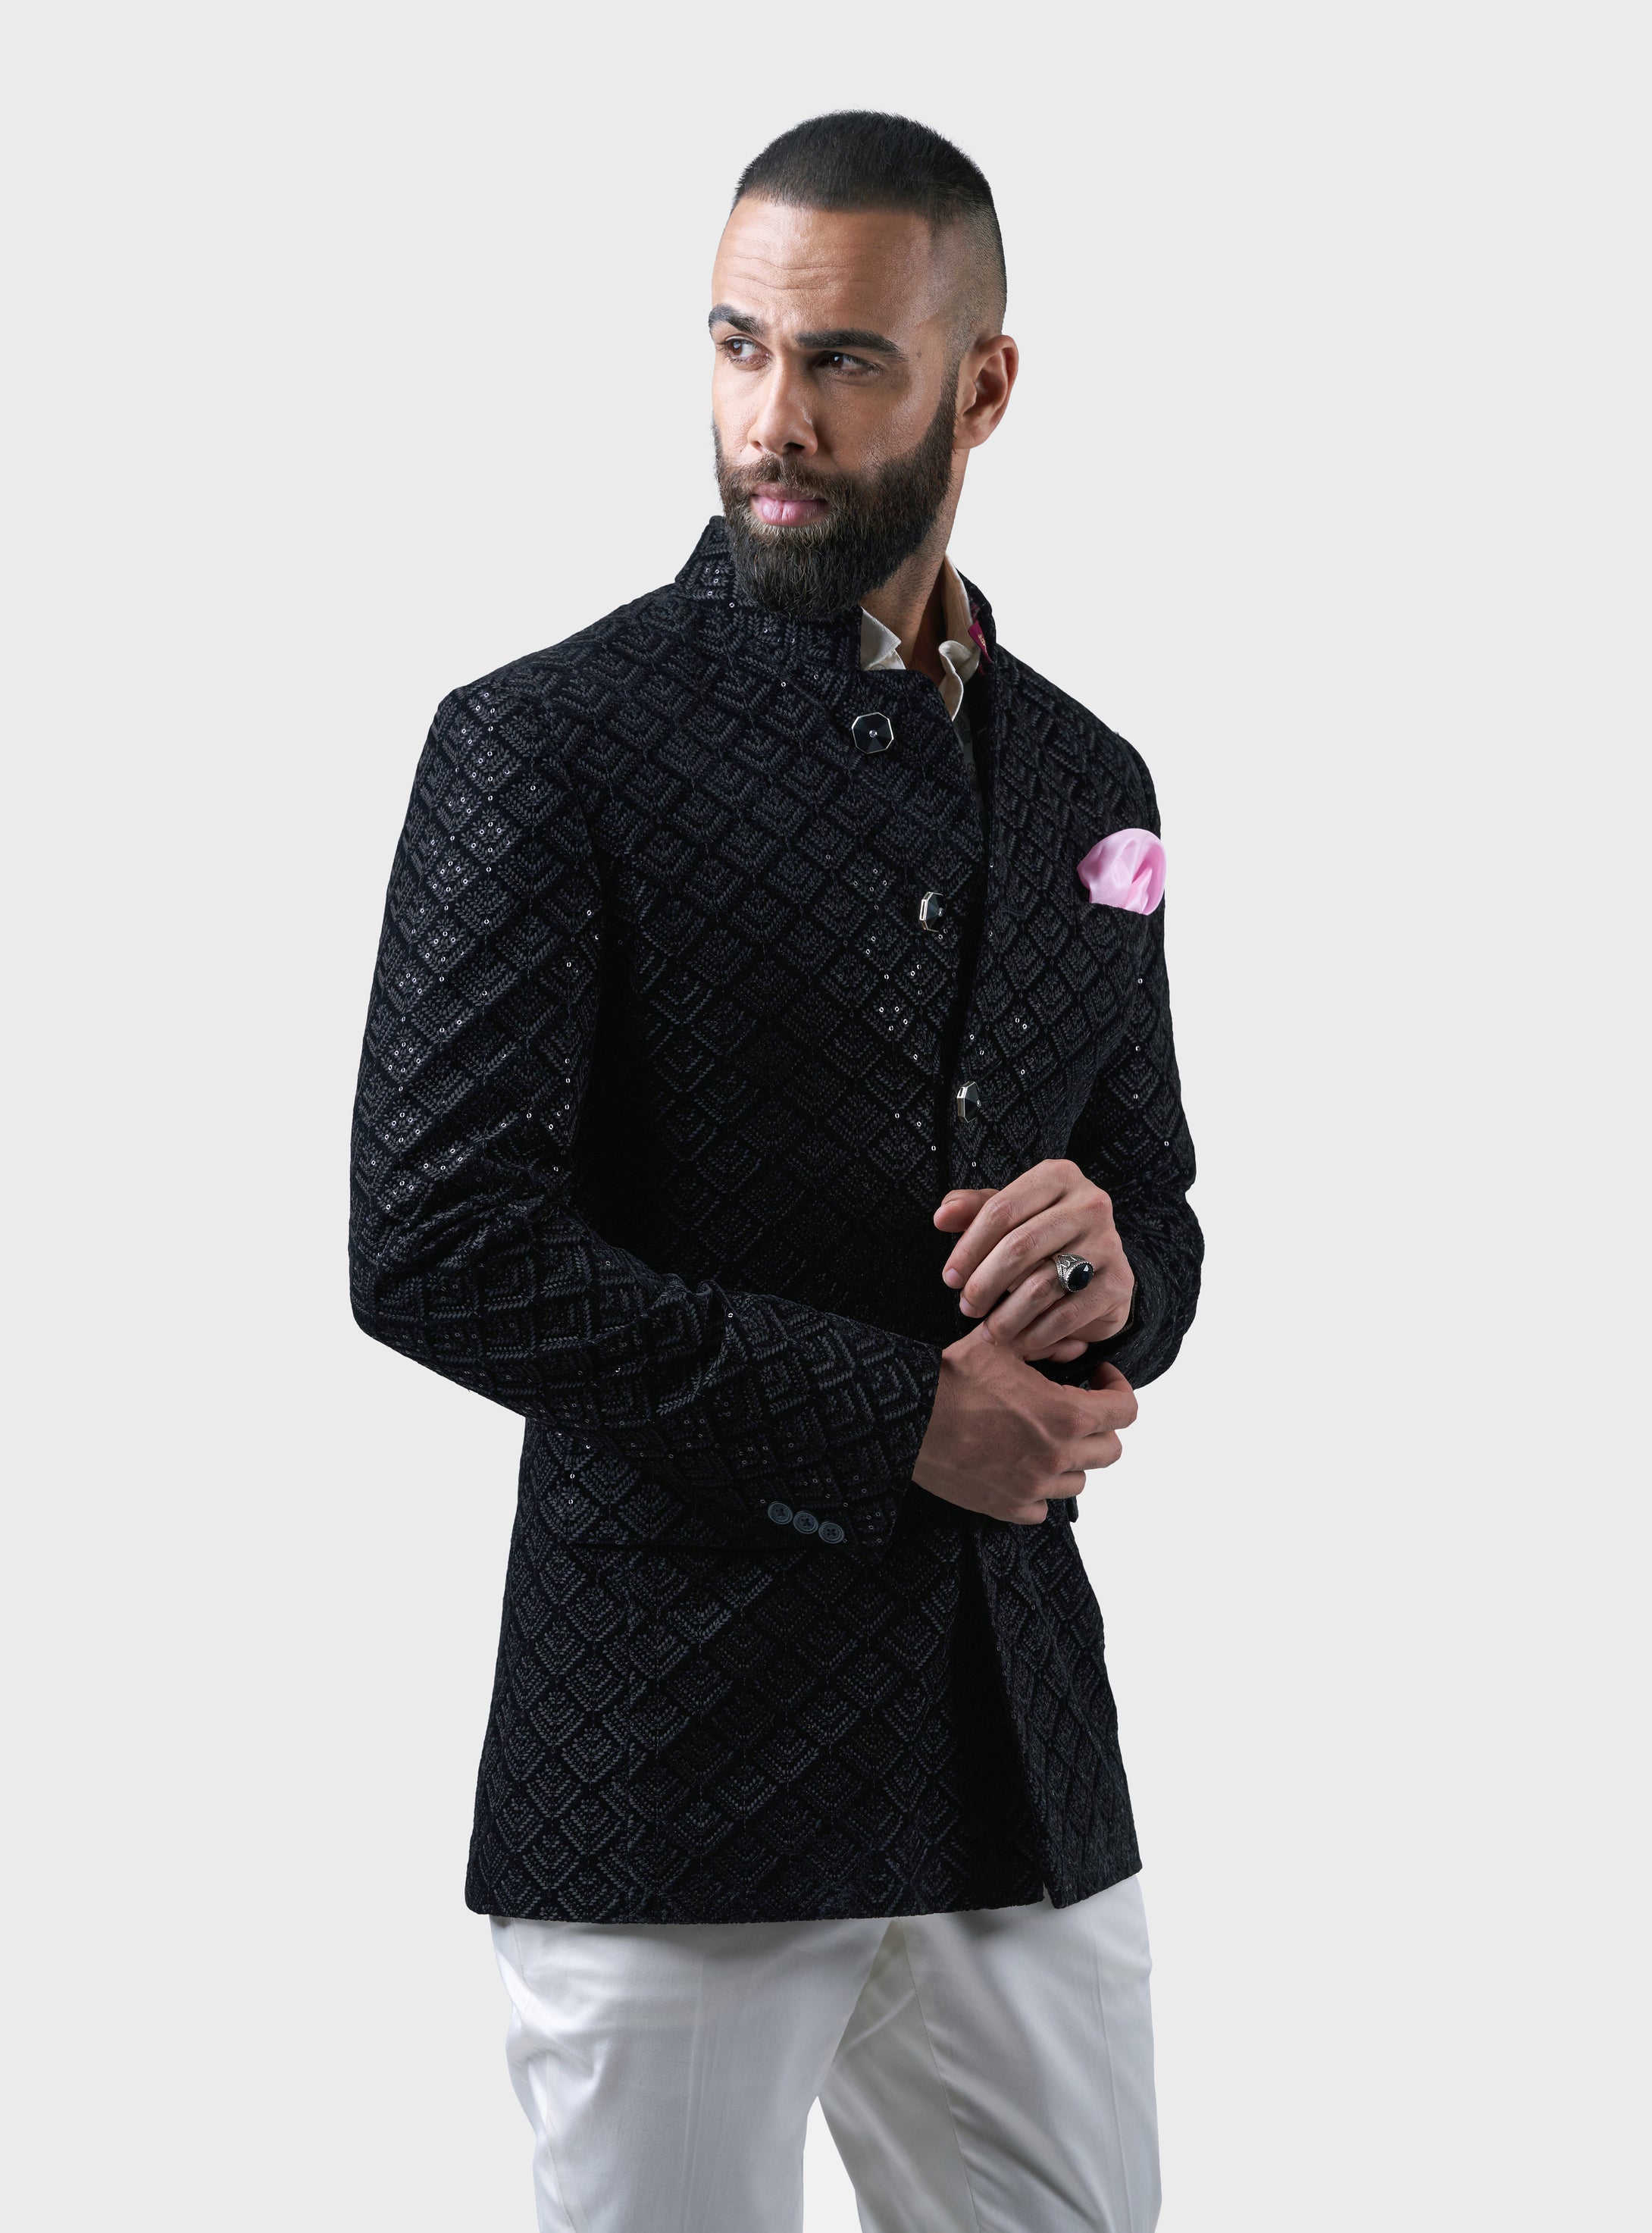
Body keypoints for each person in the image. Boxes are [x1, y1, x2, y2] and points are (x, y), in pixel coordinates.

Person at [349, 108, 1201, 2233]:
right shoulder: (544, 744)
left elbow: (1155, 1195)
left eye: (842, 362)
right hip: (670, 1746)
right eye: (738, 346)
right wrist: (903, 1416)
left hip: (1008, 1736)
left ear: (982, 388)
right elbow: (437, 1243)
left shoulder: (1087, 778)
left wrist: (1117, 1269)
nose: (773, 419)